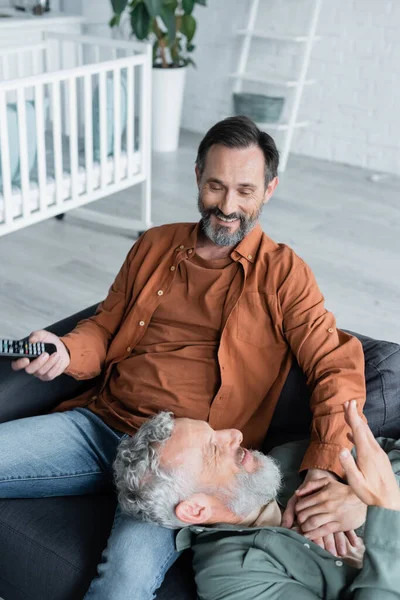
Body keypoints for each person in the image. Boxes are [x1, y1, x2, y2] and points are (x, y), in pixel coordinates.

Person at [6, 116, 367, 599]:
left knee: (123, 586)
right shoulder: (154, 244)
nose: (228, 206)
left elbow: (335, 365)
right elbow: (105, 325)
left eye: (245, 190)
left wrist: (325, 465)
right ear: (198, 175)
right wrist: (67, 349)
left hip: (186, 465)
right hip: (101, 427)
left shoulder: (284, 274)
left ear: (269, 189)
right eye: (216, 186)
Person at [115, 401, 400, 599]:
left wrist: (362, 504)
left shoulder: (296, 458)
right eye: (213, 450)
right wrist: (384, 522)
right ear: (196, 509)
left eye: (216, 430)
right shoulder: (231, 576)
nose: (236, 435)